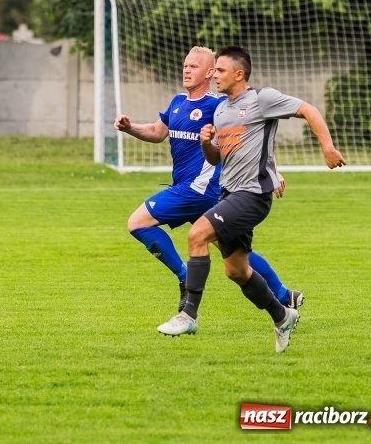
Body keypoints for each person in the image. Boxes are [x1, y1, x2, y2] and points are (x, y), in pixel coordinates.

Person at [157, 45, 345, 352]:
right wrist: (207, 143)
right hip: (229, 193)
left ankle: (188, 314)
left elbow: (308, 110)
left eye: (220, 70)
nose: (215, 75)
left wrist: (327, 147)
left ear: (239, 74)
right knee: (236, 270)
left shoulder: (262, 99)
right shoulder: (220, 110)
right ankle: (282, 314)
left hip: (254, 194)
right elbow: (217, 158)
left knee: (197, 234)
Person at [114, 46, 302, 317]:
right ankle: (285, 295)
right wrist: (130, 128)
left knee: (137, 223)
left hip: (195, 190)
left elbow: (251, 137)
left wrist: (274, 170)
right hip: (204, 193)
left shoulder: (217, 105)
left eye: (193, 66)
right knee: (235, 255)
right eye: (185, 65)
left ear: (209, 72)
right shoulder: (177, 102)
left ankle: (184, 275)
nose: (186, 70)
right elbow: (157, 132)